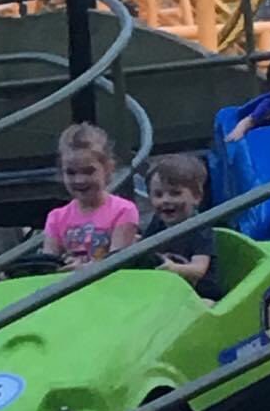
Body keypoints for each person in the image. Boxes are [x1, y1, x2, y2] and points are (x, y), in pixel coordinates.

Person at [43, 123, 139, 269]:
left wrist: (82, 269)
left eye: (88, 172)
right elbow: (48, 265)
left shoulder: (124, 210)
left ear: (108, 169)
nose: (79, 180)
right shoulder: (56, 218)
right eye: (71, 173)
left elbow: (118, 263)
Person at [143, 154, 222, 302]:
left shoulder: (200, 228)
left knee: (208, 304)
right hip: (168, 291)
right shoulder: (157, 222)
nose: (165, 200)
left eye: (175, 193)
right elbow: (144, 249)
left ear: (196, 197)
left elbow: (199, 269)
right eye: (158, 194)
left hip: (200, 294)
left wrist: (174, 269)